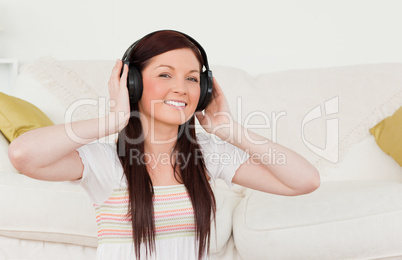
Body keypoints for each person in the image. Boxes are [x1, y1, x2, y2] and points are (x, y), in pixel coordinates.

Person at [8, 30, 320, 260]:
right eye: (165, 74)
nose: (181, 88)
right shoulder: (106, 162)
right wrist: (114, 119)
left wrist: (229, 129)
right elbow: (23, 156)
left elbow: (305, 181)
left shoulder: (208, 156)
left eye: (193, 79)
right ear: (133, 84)